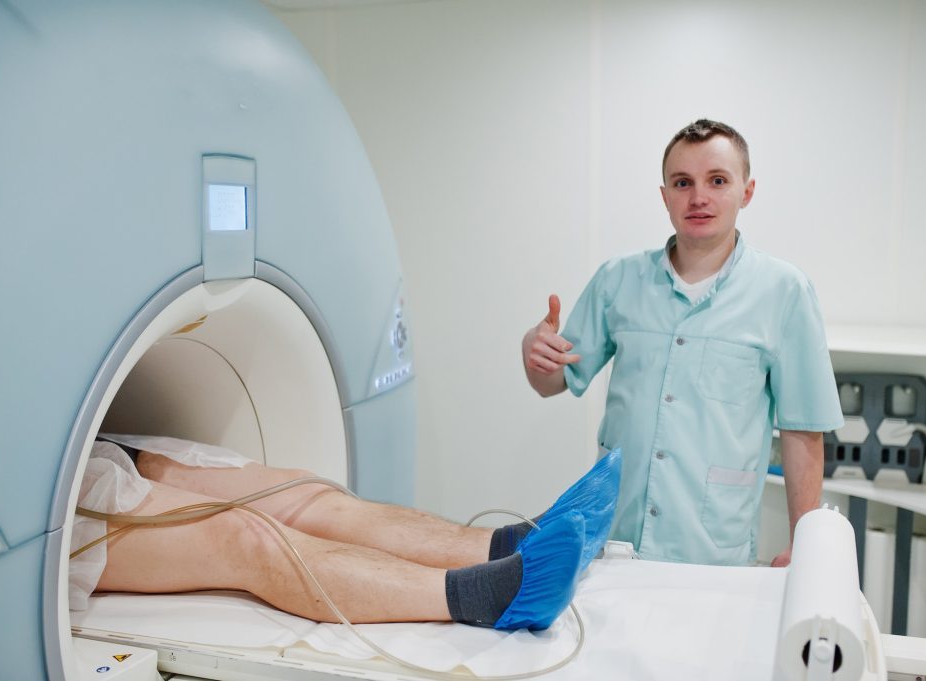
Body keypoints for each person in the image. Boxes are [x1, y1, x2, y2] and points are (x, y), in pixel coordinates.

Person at [521, 119, 843, 567]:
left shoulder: (783, 292)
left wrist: (803, 541)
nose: (698, 197)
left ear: (746, 191)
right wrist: (533, 352)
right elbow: (552, 382)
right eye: (682, 183)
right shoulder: (618, 280)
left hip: (712, 549)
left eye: (717, 180)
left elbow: (803, 428)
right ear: (664, 195)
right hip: (615, 540)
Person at [70, 434, 620, 631]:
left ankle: (507, 545)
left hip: (94, 445)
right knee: (243, 534)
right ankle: (491, 597)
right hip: (40, 501)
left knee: (300, 494)